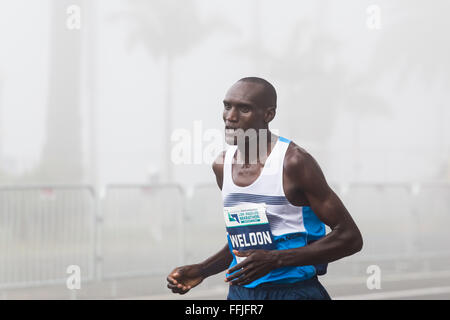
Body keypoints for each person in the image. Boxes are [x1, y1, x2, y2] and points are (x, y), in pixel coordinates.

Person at [167, 77, 363, 300]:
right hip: (241, 294)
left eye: (244, 109)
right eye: (227, 106)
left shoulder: (294, 163)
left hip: (294, 292)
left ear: (268, 114)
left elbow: (350, 237)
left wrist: (276, 259)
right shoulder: (222, 165)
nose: (230, 117)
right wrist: (202, 270)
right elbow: (245, 242)